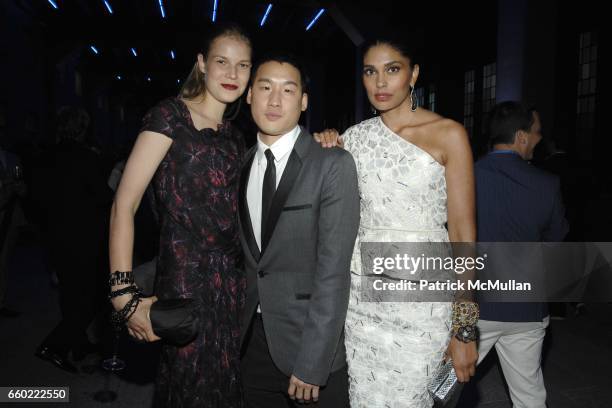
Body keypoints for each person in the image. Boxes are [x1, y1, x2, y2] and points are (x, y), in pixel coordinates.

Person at [316, 38, 478, 407]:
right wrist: (324, 144)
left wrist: (464, 328)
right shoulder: (354, 139)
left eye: (392, 70)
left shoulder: (449, 134)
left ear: (413, 74)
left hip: (424, 309)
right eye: (371, 72)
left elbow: (464, 234)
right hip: (363, 307)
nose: (380, 82)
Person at [109, 24, 252, 407]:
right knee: (188, 391)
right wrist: (123, 294)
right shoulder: (170, 116)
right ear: (202, 64)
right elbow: (125, 202)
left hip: (230, 290)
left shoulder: (236, 137)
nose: (232, 74)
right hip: (184, 285)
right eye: (222, 62)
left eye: (243, 65)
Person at [238, 54, 360, 407]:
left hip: (309, 347)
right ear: (249, 95)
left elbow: (334, 272)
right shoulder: (241, 164)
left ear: (304, 101)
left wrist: (312, 363)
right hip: (251, 345)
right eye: (265, 88)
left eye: (288, 90)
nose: (274, 101)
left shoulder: (332, 163)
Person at [474, 102, 568, 408]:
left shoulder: (465, 175)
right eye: (537, 132)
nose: (540, 139)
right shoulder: (547, 184)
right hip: (526, 309)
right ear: (521, 137)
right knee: (529, 396)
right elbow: (555, 242)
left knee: (441, 386)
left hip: (475, 310)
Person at [35, 106, 110, 372]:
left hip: (55, 237)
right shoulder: (86, 158)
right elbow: (104, 198)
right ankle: (54, 345)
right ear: (83, 129)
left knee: (70, 294)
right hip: (84, 239)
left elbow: (37, 201)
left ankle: (78, 344)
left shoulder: (44, 158)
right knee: (95, 296)